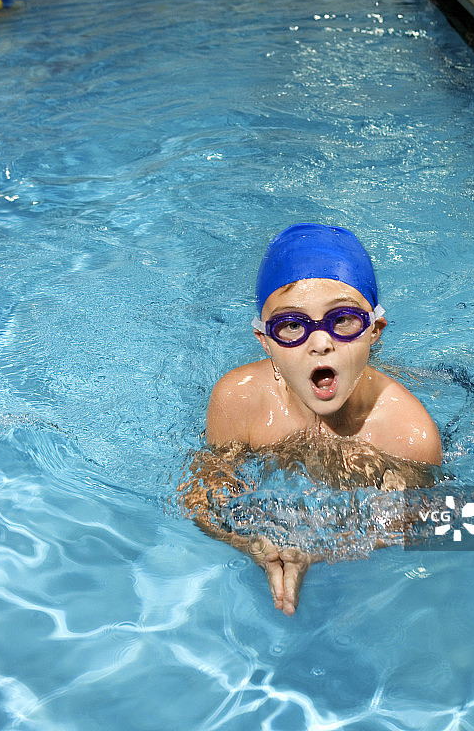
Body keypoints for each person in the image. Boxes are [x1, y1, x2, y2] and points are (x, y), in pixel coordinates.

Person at [184, 223, 442, 615]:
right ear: (265, 342)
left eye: (343, 320)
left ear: (374, 331)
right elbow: (202, 494)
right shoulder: (238, 400)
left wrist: (321, 549)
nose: (320, 342)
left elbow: (418, 522)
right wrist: (249, 541)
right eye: (291, 326)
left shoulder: (407, 434)